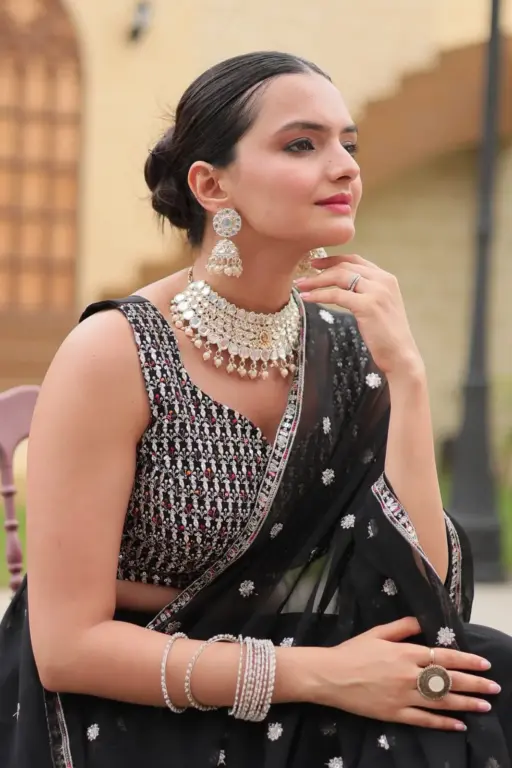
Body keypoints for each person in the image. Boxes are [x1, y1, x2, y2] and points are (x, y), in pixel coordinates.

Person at [0, 50, 510, 768]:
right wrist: (317, 676)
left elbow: (424, 600)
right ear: (211, 185)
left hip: (292, 669)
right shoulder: (117, 354)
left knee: (474, 678)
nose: (345, 168)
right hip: (129, 700)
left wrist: (408, 374)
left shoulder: (346, 348)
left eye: (349, 144)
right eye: (302, 144)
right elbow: (67, 649)